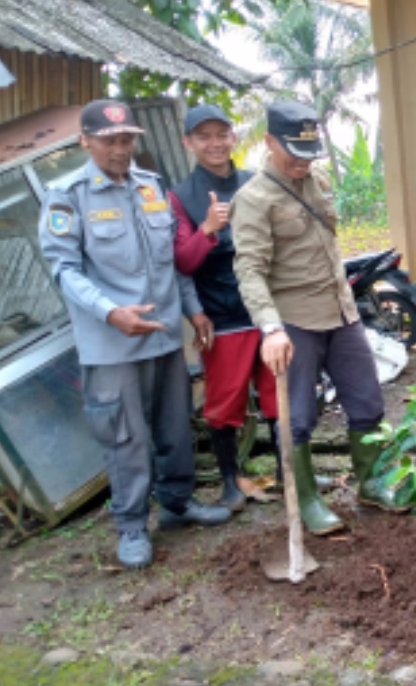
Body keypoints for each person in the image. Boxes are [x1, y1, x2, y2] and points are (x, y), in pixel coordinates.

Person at [38, 99, 232, 570]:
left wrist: (193, 310)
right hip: (112, 343)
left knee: (173, 426)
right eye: (109, 140)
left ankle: (177, 504)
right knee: (124, 435)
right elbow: (63, 270)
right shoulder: (68, 195)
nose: (121, 149)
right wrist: (111, 313)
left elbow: (169, 261)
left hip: (164, 334)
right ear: (85, 141)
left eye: (127, 140)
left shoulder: (150, 187)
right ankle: (129, 525)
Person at [231, 100, 406, 536]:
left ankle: (371, 482)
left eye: (309, 152)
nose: (303, 161)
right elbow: (249, 269)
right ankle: (306, 497)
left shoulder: (319, 179)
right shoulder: (253, 199)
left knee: (367, 400)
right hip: (294, 322)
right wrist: (270, 327)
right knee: (298, 416)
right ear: (269, 142)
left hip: (341, 312)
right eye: (293, 151)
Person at [170, 104, 276, 512]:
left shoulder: (257, 182)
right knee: (224, 404)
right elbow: (183, 262)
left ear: (233, 137)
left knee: (277, 394)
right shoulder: (180, 196)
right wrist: (208, 230)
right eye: (203, 136)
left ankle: (291, 474)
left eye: (221, 134)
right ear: (189, 143)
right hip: (222, 317)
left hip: (266, 312)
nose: (214, 143)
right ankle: (232, 483)